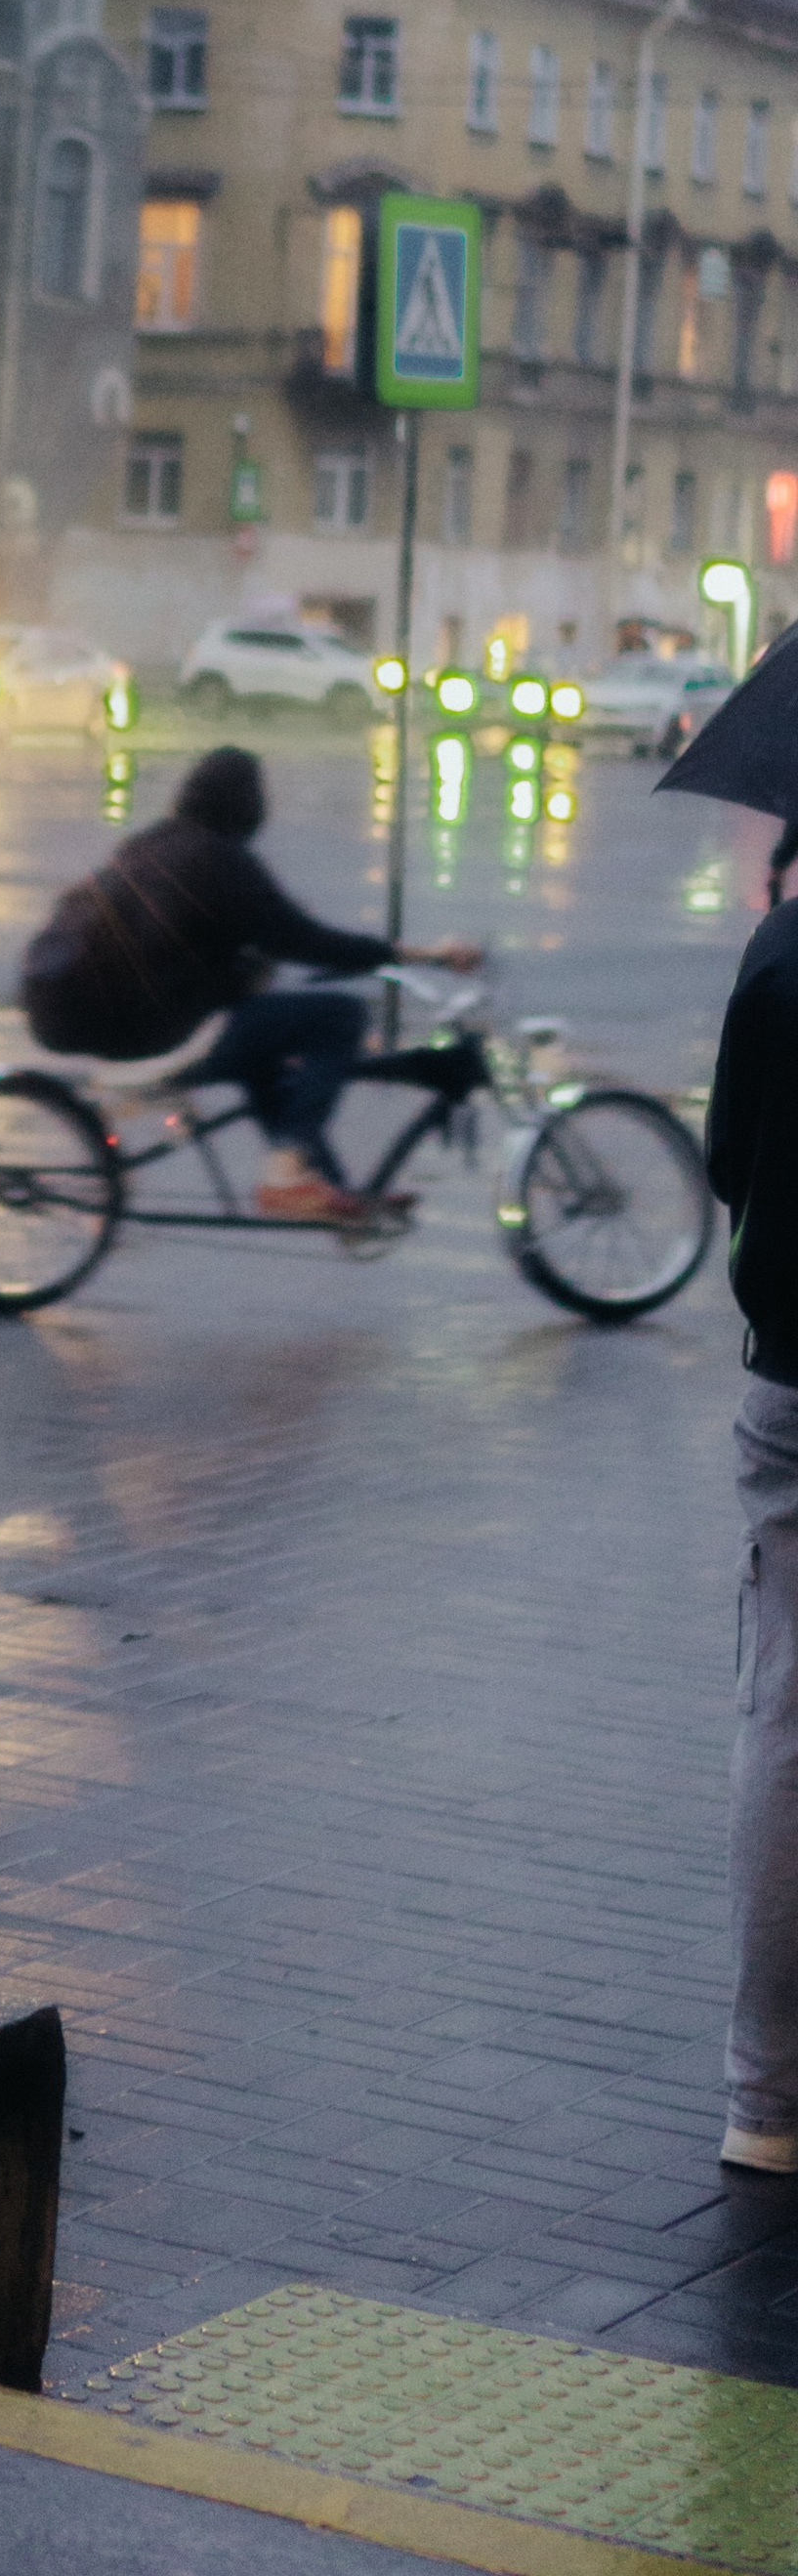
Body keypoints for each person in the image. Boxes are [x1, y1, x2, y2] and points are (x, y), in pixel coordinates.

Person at [19, 743, 480, 1220]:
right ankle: (286, 1174)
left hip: (107, 1026)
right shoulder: (221, 861)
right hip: (165, 1036)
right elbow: (304, 940)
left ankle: (325, 1187)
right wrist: (429, 955)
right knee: (339, 1016)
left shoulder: (150, 845)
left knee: (266, 1051)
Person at [703, 870, 798, 2175]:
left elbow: (730, 1158)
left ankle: (766, 2100)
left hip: (796, 1369)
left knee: (785, 1718)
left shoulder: (785, 946)